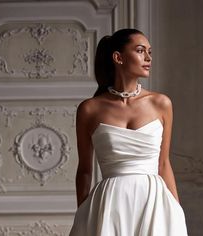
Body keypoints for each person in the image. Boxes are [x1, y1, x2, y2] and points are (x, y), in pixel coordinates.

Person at [69, 28, 188, 236]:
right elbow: (85, 170)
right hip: (109, 205)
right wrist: (84, 213)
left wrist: (177, 210)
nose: (148, 58)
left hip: (154, 202)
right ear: (118, 57)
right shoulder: (89, 109)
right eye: (140, 51)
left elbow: (163, 163)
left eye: (149, 52)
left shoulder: (161, 104)